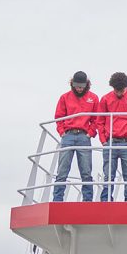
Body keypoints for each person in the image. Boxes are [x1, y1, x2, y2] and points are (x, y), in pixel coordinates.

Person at [96, 72, 127, 202]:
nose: (118, 93)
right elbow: (99, 121)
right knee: (108, 176)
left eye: (121, 90)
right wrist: (103, 141)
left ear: (126, 87)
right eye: (116, 90)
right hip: (110, 142)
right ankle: (106, 200)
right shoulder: (105, 99)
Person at [52, 71, 99, 202]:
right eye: (77, 86)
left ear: (86, 85)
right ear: (72, 84)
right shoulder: (64, 97)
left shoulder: (94, 98)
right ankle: (57, 200)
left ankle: (87, 201)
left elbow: (97, 119)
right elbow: (59, 117)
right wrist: (62, 132)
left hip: (84, 136)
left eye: (81, 86)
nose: (79, 89)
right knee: (62, 170)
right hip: (68, 136)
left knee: (86, 171)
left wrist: (91, 133)